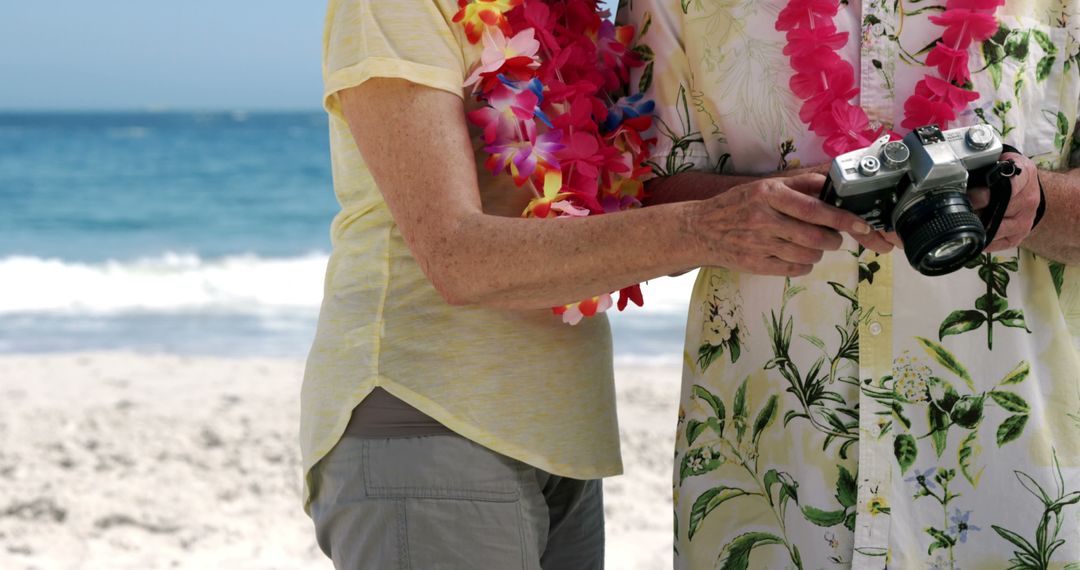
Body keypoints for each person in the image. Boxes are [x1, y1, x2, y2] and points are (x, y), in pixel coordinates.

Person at [300, 0, 888, 568]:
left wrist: (815, 197)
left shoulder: (570, 17)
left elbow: (626, 212)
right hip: (431, 416)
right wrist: (707, 228)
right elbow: (458, 256)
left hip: (564, 435)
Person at [621, 0, 1080, 566]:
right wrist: (730, 217)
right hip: (770, 486)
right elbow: (622, 203)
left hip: (1015, 490)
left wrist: (1040, 203)